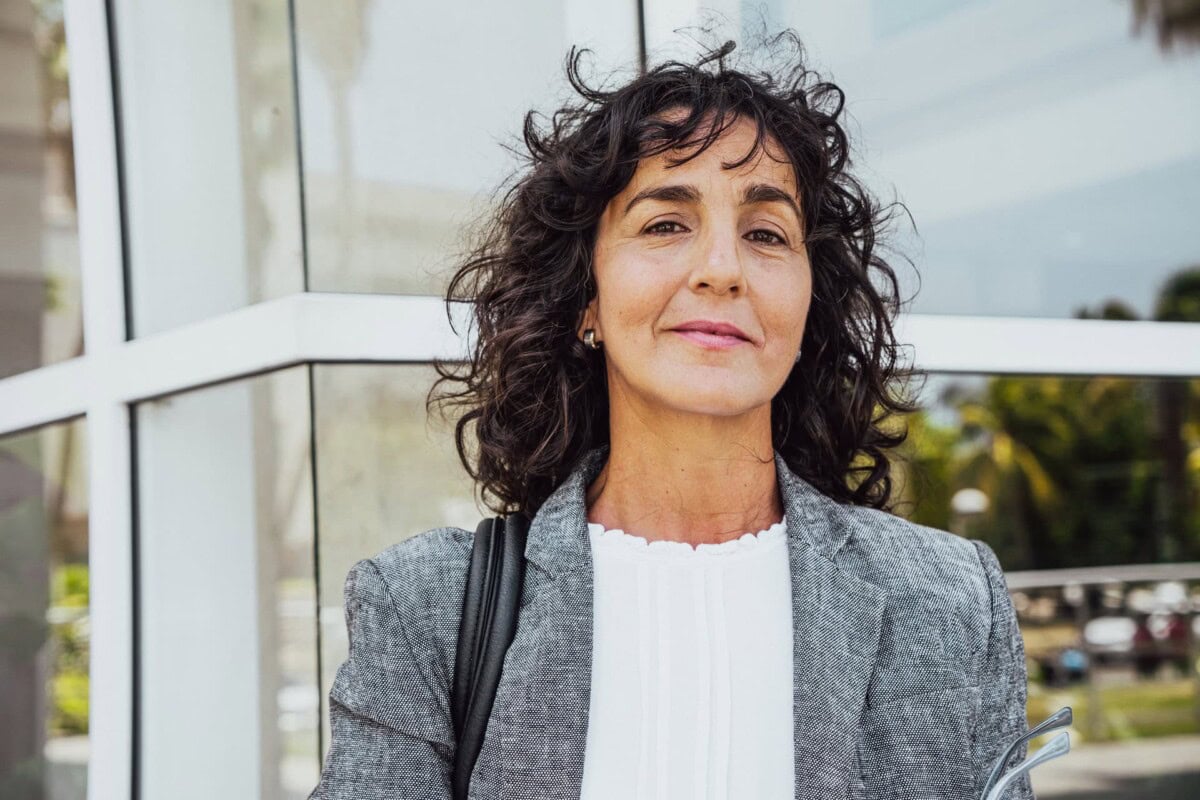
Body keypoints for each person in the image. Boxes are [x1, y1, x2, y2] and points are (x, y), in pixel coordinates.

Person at [309, 31, 1034, 800]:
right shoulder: (424, 607)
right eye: (664, 224)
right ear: (586, 298)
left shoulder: (952, 600)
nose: (722, 269)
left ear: (807, 302)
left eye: (765, 234)